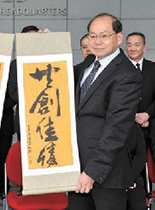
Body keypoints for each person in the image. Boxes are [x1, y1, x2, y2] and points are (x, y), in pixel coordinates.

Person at [68, 13, 143, 210]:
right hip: (76, 168)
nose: (97, 42)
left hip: (106, 175)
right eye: (92, 36)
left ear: (119, 37)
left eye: (104, 36)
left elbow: (116, 130)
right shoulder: (87, 65)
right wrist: (44, 42)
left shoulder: (127, 75)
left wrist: (91, 172)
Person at [126, 31, 155, 209]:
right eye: (129, 44)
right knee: (132, 161)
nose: (132, 48)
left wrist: (147, 115)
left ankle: (148, 194)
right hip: (128, 124)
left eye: (136, 44)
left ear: (144, 47)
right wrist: (132, 116)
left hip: (150, 123)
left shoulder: (153, 68)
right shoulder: (120, 69)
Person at [8, 25, 39, 140]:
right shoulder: (15, 65)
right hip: (25, 117)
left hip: (47, 118)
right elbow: (13, 91)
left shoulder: (48, 60)